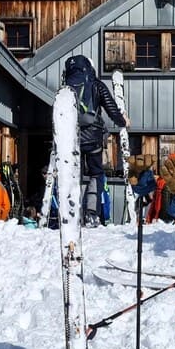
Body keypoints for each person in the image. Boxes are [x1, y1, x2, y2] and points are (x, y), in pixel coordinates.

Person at [62, 55, 128, 225]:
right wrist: (123, 121)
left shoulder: (65, 88)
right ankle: (92, 214)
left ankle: (71, 214)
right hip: (93, 139)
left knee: (73, 175)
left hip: (71, 139)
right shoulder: (96, 84)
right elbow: (111, 108)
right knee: (96, 174)